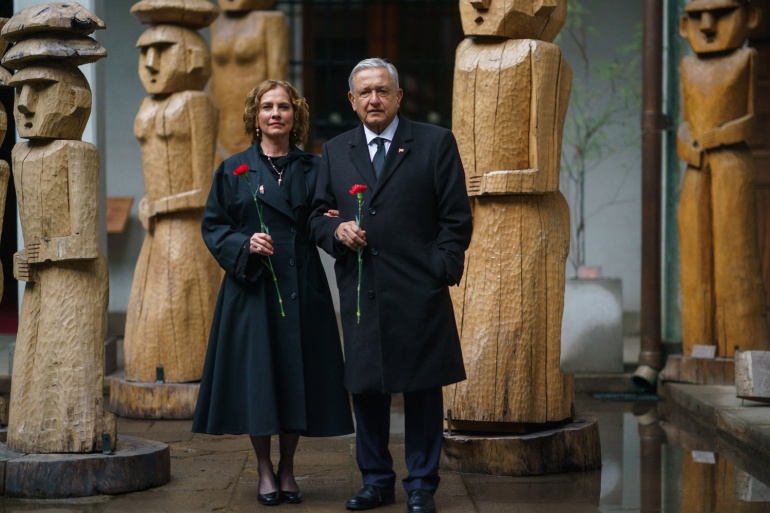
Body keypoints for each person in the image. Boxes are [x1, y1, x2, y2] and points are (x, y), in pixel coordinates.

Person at [309, 58, 473, 513]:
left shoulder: (434, 142)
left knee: (423, 390)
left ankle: (421, 484)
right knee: (367, 389)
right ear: (352, 100)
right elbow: (317, 216)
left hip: (419, 287)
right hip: (363, 288)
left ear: (399, 96)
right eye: (365, 92)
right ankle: (376, 480)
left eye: (382, 90)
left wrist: (441, 267)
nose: (374, 99)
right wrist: (337, 231)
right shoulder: (336, 150)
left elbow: (456, 218)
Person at [192, 79, 354, 506]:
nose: (276, 113)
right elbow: (213, 226)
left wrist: (338, 224)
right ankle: (264, 468)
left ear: (295, 116)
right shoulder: (232, 169)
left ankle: (288, 468)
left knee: (296, 378)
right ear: (256, 116)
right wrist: (243, 243)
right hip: (253, 289)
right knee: (261, 380)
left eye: (284, 106)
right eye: (267, 107)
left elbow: (325, 218)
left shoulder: (316, 167)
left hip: (302, 284)